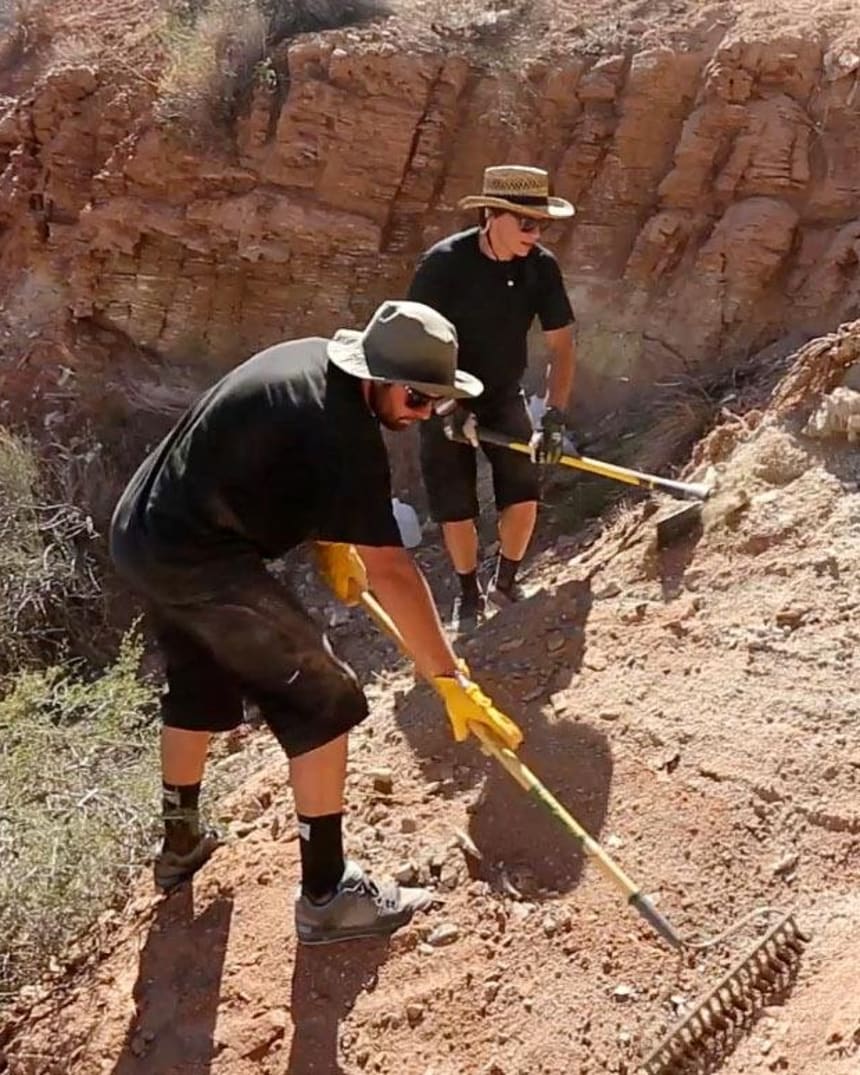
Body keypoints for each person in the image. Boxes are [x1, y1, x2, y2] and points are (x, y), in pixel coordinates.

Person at [109, 300, 523, 945]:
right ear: (376, 377)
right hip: (195, 551)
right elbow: (393, 570)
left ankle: (180, 841)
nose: (420, 417)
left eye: (436, 404)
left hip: (145, 528)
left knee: (197, 683)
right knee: (324, 698)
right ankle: (328, 894)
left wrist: (333, 539)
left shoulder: (309, 360)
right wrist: (447, 677)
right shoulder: (344, 430)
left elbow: (271, 457)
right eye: (415, 399)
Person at [408, 165, 576, 633]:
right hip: (441, 391)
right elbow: (414, 344)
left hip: (503, 393)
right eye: (525, 223)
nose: (535, 233)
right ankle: (467, 594)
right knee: (455, 504)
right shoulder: (443, 265)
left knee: (523, 492)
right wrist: (446, 406)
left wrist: (554, 417)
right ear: (491, 216)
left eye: (540, 224)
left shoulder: (540, 268)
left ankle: (506, 580)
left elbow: (562, 347)